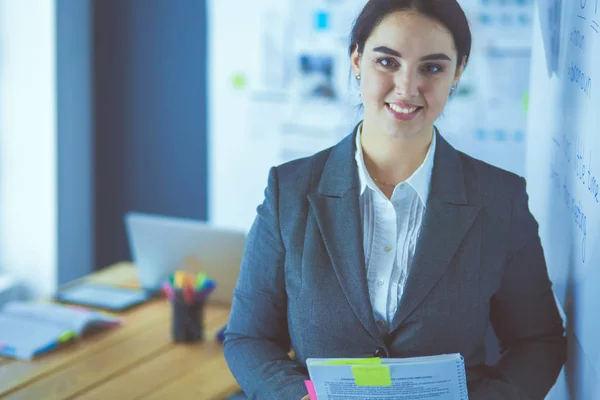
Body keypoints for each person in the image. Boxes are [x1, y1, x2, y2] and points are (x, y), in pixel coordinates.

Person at [223, 0, 567, 399]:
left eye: (432, 68)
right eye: (387, 62)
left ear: (458, 71)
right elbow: (249, 337)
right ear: (357, 59)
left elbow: (537, 342)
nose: (406, 88)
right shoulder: (290, 191)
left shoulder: (499, 200)